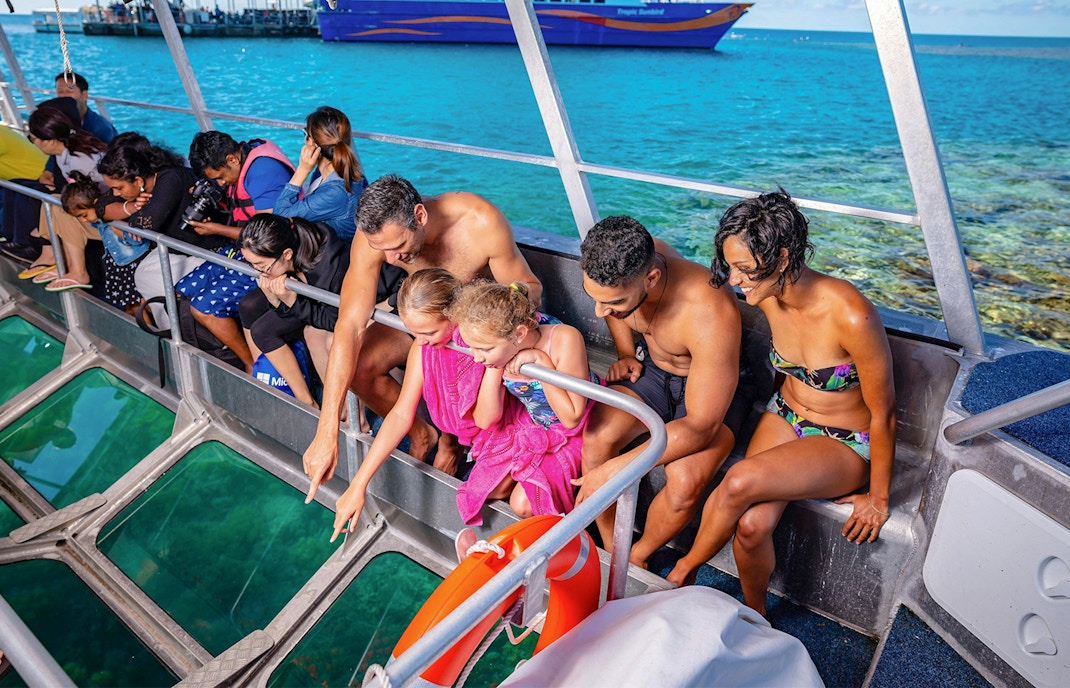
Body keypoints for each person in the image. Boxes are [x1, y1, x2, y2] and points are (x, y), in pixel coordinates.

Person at [666, 191, 896, 616]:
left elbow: (885, 412)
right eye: (731, 266)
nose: (735, 281)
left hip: (844, 441)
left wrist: (877, 498)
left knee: (736, 482)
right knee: (752, 526)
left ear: (784, 257)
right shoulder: (767, 295)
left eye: (745, 270)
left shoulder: (850, 314)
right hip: (785, 414)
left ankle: (681, 573)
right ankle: (758, 617)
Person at [302, 174, 541, 503]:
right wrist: (326, 429)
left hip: (475, 332)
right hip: (427, 325)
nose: (389, 260)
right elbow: (349, 325)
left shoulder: (479, 222)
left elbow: (530, 287)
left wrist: (489, 317)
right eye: (381, 250)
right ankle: (421, 433)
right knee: (359, 366)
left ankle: (451, 441)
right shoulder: (377, 236)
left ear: (420, 216)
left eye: (398, 248)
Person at [575, 215, 753, 569]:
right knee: (596, 439)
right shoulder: (628, 265)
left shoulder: (708, 309)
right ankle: (614, 551)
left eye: (614, 302)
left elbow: (701, 425)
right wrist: (626, 352)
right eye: (594, 298)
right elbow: (609, 303)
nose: (599, 312)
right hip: (654, 370)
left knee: (685, 482)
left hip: (713, 390)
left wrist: (614, 472)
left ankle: (638, 557)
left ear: (652, 279)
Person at [331, 268, 485, 540]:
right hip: (466, 429)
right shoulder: (424, 346)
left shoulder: (484, 345)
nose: (420, 341)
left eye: (427, 332)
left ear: (456, 313)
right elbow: (401, 413)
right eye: (413, 332)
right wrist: (358, 484)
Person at [451, 280, 595, 524]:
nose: (476, 358)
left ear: (519, 334)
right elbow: (485, 419)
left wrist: (541, 362)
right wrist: (495, 366)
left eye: (484, 349)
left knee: (523, 504)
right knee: (486, 490)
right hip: (530, 421)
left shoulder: (564, 339)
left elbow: (572, 417)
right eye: (473, 348)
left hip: (576, 427)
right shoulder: (499, 350)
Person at [182, 130, 295, 370]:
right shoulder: (243, 161)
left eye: (222, 177)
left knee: (204, 307)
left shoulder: (264, 171)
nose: (221, 183)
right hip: (242, 248)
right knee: (184, 288)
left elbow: (266, 235)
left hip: (267, 256)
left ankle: (249, 364)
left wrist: (216, 229)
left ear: (233, 159)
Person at [238, 214, 349, 407]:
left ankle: (335, 406)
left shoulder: (328, 266)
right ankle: (305, 399)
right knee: (259, 324)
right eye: (252, 265)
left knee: (313, 334)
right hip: (309, 299)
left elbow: (333, 319)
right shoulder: (286, 245)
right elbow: (287, 310)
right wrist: (277, 300)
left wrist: (292, 302)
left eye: (262, 266)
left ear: (287, 254)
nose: (258, 273)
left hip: (343, 305)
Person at [97, 136, 212, 320]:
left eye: (119, 188)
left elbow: (148, 222)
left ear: (138, 181)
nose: (116, 193)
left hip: (204, 252)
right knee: (142, 275)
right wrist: (133, 206)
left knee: (145, 276)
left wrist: (132, 214)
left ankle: (176, 330)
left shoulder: (171, 178)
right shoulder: (143, 185)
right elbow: (101, 207)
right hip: (177, 252)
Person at [21, 106, 109, 292]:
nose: (33, 143)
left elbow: (94, 199)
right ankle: (52, 256)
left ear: (50, 140)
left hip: (108, 218)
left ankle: (78, 272)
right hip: (94, 209)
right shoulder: (65, 154)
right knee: (51, 199)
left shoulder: (80, 160)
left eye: (33, 139)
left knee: (62, 208)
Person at [274, 106, 367, 241]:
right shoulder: (337, 171)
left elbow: (280, 220)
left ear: (311, 142)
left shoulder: (336, 191)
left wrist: (302, 170)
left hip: (338, 257)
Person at [54, 71, 118, 144]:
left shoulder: (101, 129)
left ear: (84, 95)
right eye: (60, 92)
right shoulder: (58, 121)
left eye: (69, 92)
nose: (63, 96)